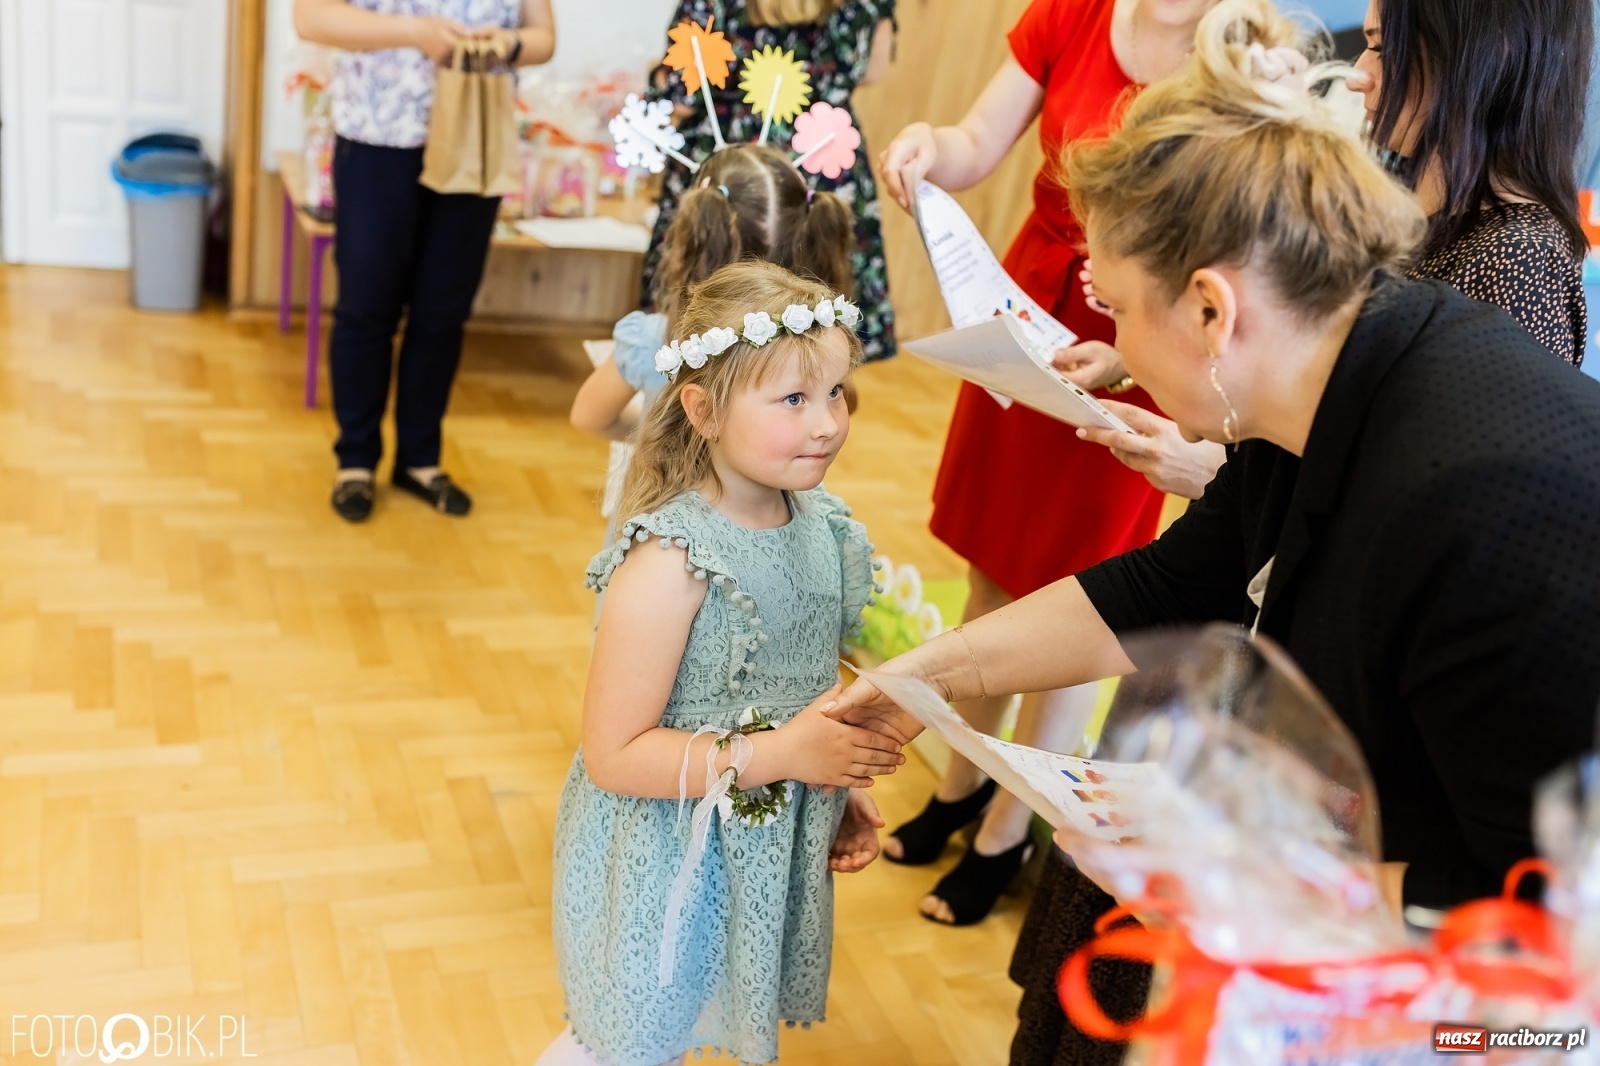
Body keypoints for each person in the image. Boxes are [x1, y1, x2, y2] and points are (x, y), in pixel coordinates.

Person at [832, 2, 1600, 1063]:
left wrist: (1225, 870)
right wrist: (914, 683)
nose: (1111, 347)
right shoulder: (1322, 389)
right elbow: (1161, 585)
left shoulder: (1472, 498)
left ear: (1210, 309)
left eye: (1122, 313)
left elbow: (1541, 921)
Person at [872, 0, 1219, 929]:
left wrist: (1130, 351)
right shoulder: (1073, 10)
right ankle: (959, 788)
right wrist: (925, 150)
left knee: (1080, 604)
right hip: (1023, 313)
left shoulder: (1234, 48)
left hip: (1139, 341)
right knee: (991, 570)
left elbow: (1225, 248)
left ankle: (1006, 831)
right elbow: (975, 139)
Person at [541, 262, 903, 1066]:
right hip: (664, 855)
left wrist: (828, 777)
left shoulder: (826, 529)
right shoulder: (670, 565)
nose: (826, 424)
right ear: (702, 410)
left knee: (696, 1021)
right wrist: (783, 756)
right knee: (628, 1043)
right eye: (793, 400)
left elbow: (803, 688)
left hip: (755, 844)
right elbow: (614, 754)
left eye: (837, 393)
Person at [1077, 0, 1594, 499]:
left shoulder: (1520, 260)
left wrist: (1211, 472)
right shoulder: (1408, 212)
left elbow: (1449, 499)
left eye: (1383, 51)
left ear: (1489, 54)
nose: (1356, 75)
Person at [293, 0, 556, 523]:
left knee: (442, 314)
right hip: (376, 140)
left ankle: (419, 459)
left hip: (473, 140)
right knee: (366, 309)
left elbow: (543, 37)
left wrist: (509, 45)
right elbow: (310, 17)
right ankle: (356, 461)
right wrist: (415, 32)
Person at [641, 0, 898, 362]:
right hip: (818, 156)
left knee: (702, 328)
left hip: (731, 164)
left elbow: (682, 97)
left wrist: (656, 74)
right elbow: (871, 70)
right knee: (814, 327)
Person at [570, 145, 856, 443]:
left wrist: (665, 439)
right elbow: (846, 402)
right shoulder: (823, 340)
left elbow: (589, 417)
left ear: (695, 238)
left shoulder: (653, 342)